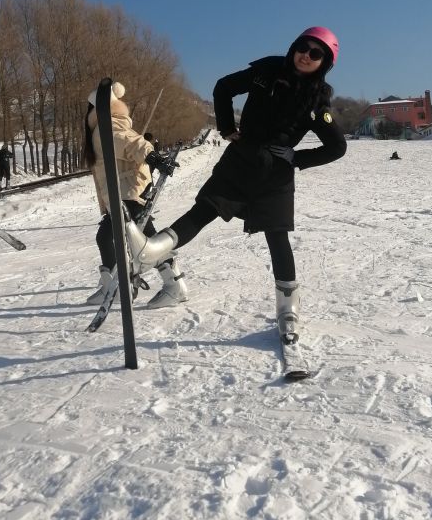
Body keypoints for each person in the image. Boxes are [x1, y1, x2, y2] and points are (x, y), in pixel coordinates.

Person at [125, 27, 347, 341]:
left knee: (277, 239)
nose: (306, 56)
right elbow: (223, 88)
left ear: (324, 63)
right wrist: (227, 127)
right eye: (303, 47)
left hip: (275, 175)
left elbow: (337, 147)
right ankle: (153, 248)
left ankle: (289, 311)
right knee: (204, 210)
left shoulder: (316, 100)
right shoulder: (266, 71)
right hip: (241, 160)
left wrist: (297, 158)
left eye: (316, 54)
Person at [83, 82, 186, 307]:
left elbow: (133, 143)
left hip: (127, 193)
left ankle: (119, 287)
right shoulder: (105, 127)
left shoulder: (107, 127)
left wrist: (153, 156)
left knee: (112, 238)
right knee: (148, 240)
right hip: (122, 193)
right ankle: (172, 284)